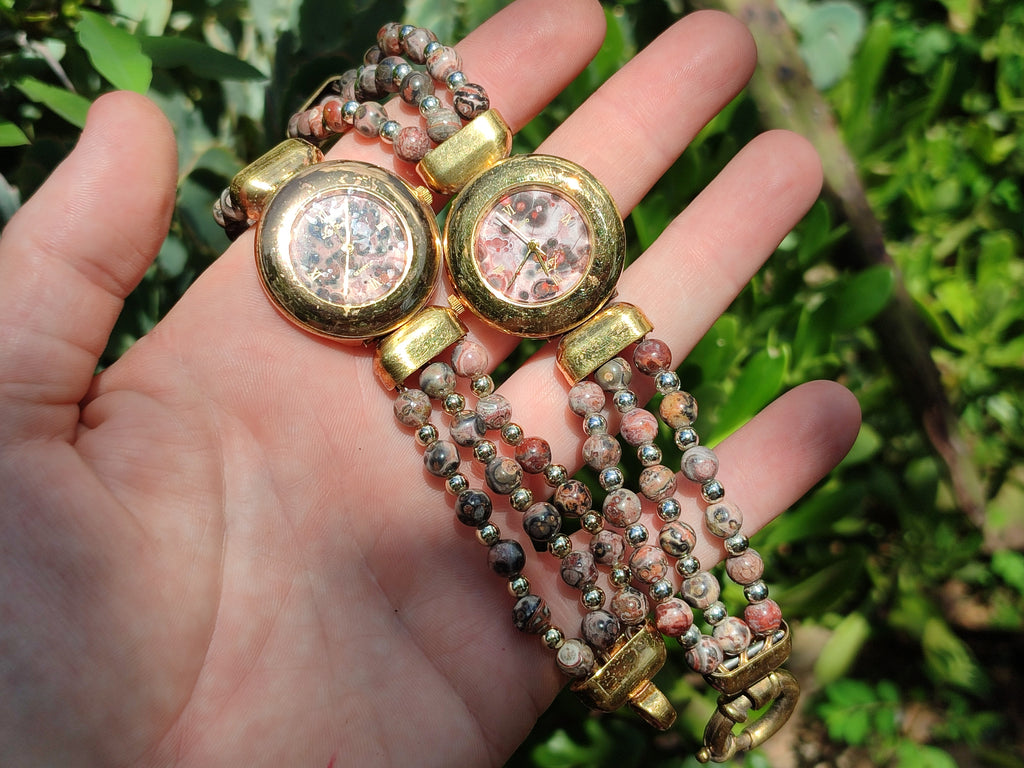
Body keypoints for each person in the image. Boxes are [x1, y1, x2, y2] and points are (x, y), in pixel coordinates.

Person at [0, 0, 861, 764]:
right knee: (531, 464)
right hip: (419, 315)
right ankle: (695, 659)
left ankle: (723, 655)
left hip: (485, 255)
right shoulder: (368, 264)